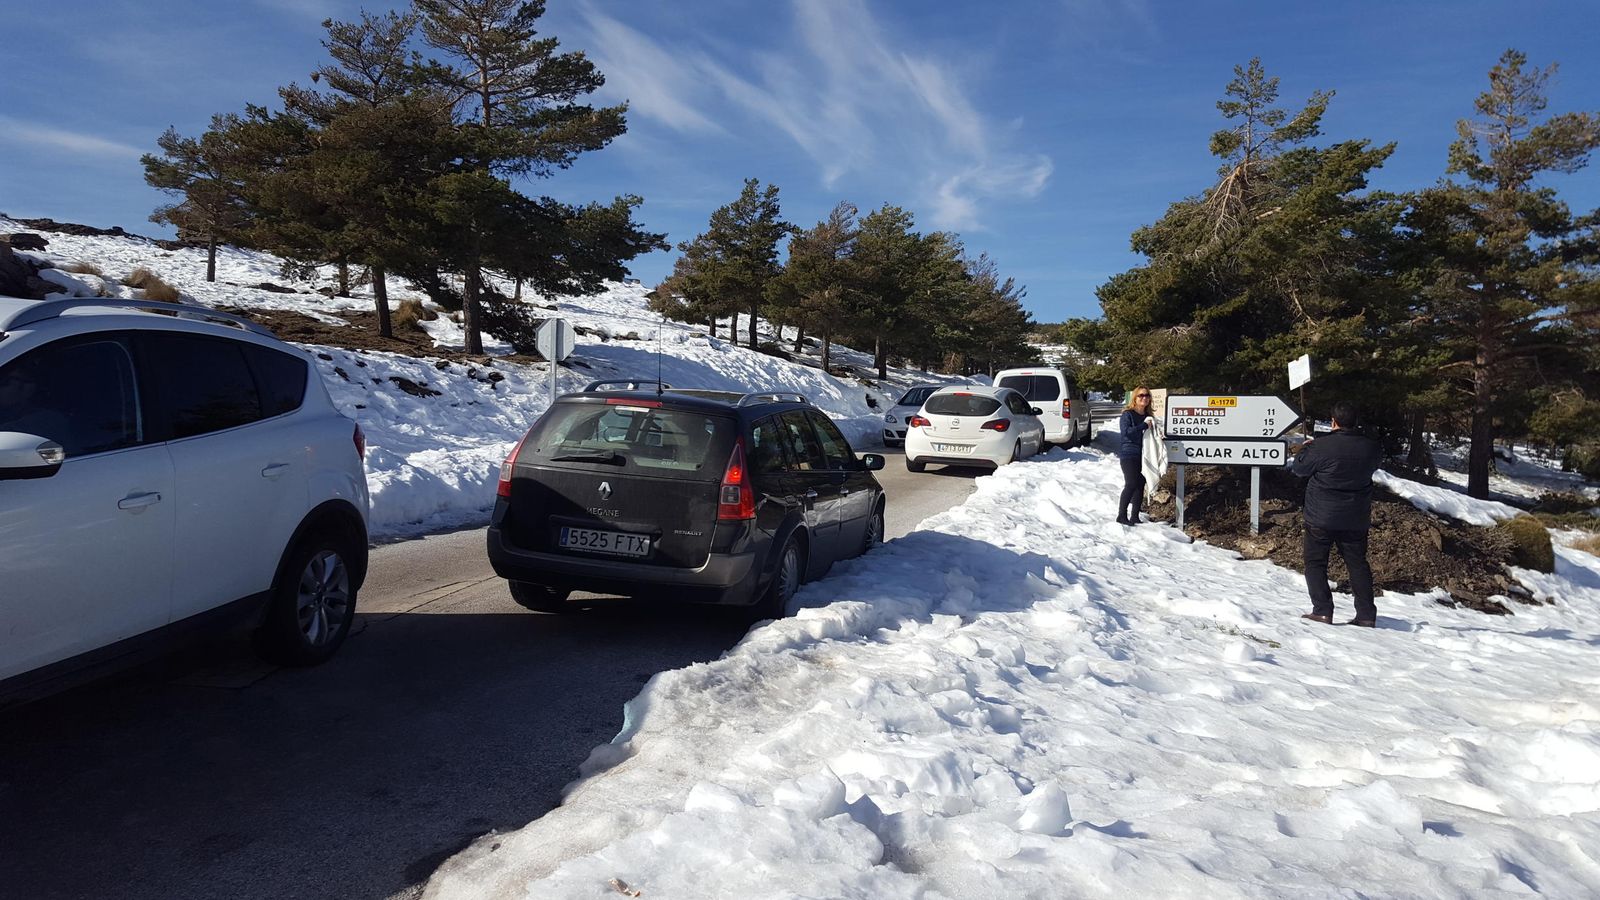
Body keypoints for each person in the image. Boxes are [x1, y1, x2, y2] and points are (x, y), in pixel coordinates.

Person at [1291, 400, 1383, 627]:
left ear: (1333, 422)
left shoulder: (1321, 446)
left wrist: (1305, 449)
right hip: (1355, 516)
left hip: (1321, 516)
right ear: (1356, 422)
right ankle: (1366, 615)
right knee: (1358, 564)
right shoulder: (1371, 447)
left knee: (1315, 562)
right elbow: (1375, 465)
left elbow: (1299, 469)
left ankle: (1322, 611)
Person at [1116, 386, 1154, 525]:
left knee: (1140, 485)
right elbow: (1126, 432)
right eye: (1141, 395)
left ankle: (1135, 516)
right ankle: (1121, 515)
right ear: (1135, 398)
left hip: (1144, 455)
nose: (1144, 398)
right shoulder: (1128, 414)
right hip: (1129, 453)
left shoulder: (1149, 417)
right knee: (1131, 483)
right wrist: (1143, 426)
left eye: (1147, 395)